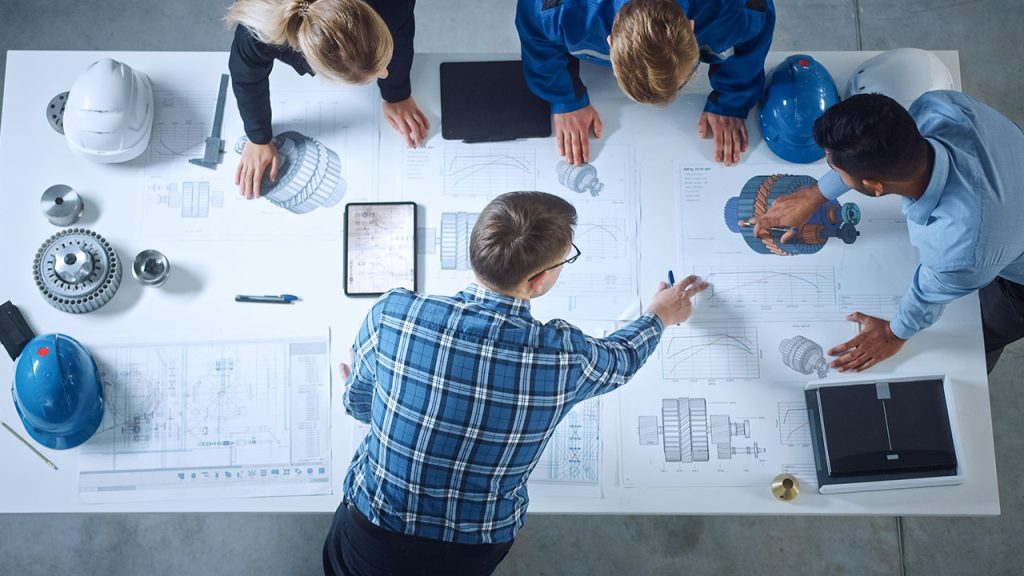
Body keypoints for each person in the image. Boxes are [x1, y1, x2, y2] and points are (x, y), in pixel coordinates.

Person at [324, 191, 707, 575]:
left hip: (371, 531)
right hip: (470, 549)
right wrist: (659, 315)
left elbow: (357, 403)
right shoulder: (564, 355)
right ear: (538, 280)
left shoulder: (393, 314)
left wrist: (385, 403)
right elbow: (622, 359)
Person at [752, 91, 1024, 373]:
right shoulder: (941, 107)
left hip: (1015, 277)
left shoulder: (961, 248)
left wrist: (893, 334)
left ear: (874, 186)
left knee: (977, 335)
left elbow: (930, 294)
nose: (833, 171)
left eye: (837, 170)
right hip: (1008, 197)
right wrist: (814, 195)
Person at [515, 0, 775, 167]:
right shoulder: (555, 8)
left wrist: (731, 101)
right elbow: (536, 36)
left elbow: (753, 37)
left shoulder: (740, 9)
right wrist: (565, 98)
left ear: (691, 27)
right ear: (611, 41)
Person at [226, 0, 429, 199]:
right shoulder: (257, 32)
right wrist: (258, 138)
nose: (385, 73)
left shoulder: (394, 4)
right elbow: (247, 78)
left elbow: (401, 32)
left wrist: (396, 93)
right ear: (315, 65)